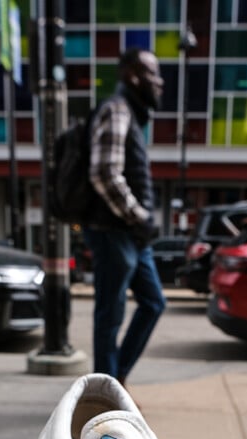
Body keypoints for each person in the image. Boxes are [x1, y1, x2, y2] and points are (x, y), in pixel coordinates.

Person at [83, 47, 167, 387]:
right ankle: (104, 398)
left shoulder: (131, 114)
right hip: (113, 232)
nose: (160, 82)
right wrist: (139, 216)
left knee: (153, 302)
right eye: (153, 73)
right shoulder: (117, 110)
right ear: (133, 75)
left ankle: (116, 379)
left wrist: (140, 223)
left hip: (131, 235)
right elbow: (104, 172)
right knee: (110, 317)